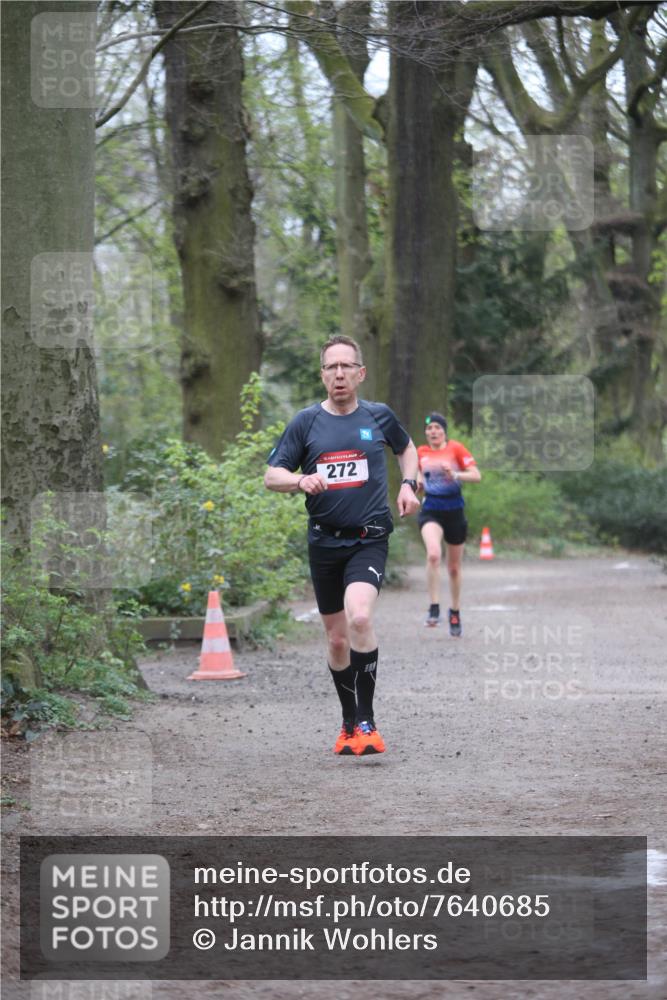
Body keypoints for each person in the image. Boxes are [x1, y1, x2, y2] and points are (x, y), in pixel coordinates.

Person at [264, 335, 420, 756]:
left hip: (368, 540)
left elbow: (407, 450)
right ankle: (349, 722)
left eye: (345, 367)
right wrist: (300, 479)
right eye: (331, 367)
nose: (338, 374)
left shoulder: (378, 416)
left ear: (360, 373)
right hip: (324, 544)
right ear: (322, 375)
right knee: (336, 640)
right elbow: (271, 474)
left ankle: (368, 722)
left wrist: (409, 484)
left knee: (361, 618)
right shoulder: (306, 423)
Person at [417, 413, 481, 636]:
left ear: (444, 431)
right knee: (434, 554)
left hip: (454, 511)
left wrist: (455, 474)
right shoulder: (421, 452)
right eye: (429, 428)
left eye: (437, 427)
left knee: (453, 568)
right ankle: (434, 607)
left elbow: (476, 475)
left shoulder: (456, 449)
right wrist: (416, 482)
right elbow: (417, 473)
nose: (432, 431)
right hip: (431, 510)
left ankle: (454, 610)